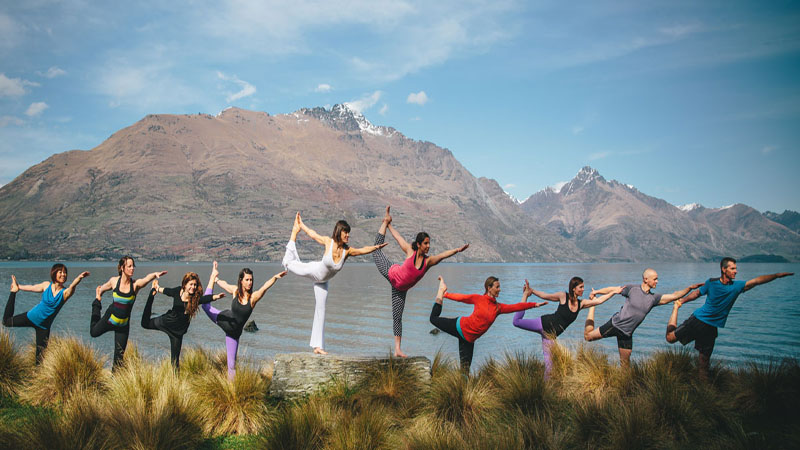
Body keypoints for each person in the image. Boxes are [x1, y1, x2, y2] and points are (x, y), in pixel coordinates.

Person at [665, 257, 793, 378]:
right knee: (670, 338)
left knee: (704, 363)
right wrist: (681, 302)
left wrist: (776, 276)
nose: (736, 271)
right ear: (723, 269)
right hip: (698, 320)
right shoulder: (712, 283)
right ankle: (675, 309)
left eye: (736, 268)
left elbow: (757, 281)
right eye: (732, 268)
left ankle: (703, 391)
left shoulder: (737, 287)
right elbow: (697, 293)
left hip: (711, 328)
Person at [282, 212, 386, 355]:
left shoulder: (347, 251)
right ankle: (294, 231)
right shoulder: (328, 242)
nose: (348, 236)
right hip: (314, 271)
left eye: (349, 233)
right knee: (289, 263)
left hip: (323, 282)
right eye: (346, 232)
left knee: (321, 311)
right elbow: (313, 234)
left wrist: (376, 247)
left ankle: (317, 347)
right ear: (339, 231)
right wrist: (301, 225)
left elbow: (363, 250)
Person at [374, 206, 469, 357]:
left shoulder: (428, 262)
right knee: (376, 250)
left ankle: (398, 349)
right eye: (425, 243)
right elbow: (398, 237)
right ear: (418, 244)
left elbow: (443, 255)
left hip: (399, 290)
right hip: (391, 272)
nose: (428, 246)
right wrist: (389, 225)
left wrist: (457, 250)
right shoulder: (410, 252)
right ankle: (384, 222)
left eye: (429, 243)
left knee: (397, 317)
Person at [583, 268, 703, 367]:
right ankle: (592, 307)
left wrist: (689, 288)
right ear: (646, 279)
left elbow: (674, 296)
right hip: (615, 325)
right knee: (588, 337)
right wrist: (596, 292)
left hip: (627, 333)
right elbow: (613, 289)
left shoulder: (654, 298)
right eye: (655, 279)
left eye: (657, 279)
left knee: (625, 365)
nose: (657, 281)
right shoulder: (632, 289)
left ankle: (624, 390)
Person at [430, 276, 544, 372]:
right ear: (489, 288)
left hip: (469, 340)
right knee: (433, 319)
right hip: (459, 326)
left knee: (465, 370)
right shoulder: (478, 299)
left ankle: (461, 392)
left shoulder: (498, 308)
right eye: (497, 287)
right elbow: (462, 298)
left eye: (499, 287)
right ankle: (441, 292)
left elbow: (515, 307)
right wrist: (446, 294)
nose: (499, 289)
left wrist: (534, 305)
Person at [513, 277, 622, 378]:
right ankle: (524, 297)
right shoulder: (563, 296)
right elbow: (546, 296)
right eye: (581, 287)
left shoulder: (581, 303)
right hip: (543, 323)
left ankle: (546, 391)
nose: (583, 289)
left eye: (583, 287)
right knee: (516, 322)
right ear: (574, 288)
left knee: (549, 367)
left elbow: (599, 301)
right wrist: (530, 291)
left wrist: (613, 292)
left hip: (550, 336)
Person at [202, 261, 286, 379]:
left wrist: (274, 278)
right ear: (241, 280)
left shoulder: (253, 298)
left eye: (251, 280)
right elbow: (225, 284)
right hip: (225, 319)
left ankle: (232, 390)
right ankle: (211, 277)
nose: (249, 282)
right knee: (205, 306)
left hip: (234, 333)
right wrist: (215, 279)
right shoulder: (236, 291)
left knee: (231, 366)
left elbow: (264, 287)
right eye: (247, 280)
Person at [3, 264, 90, 364]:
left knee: (39, 359)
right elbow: (32, 287)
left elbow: (72, 286)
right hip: (31, 316)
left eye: (65, 272)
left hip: (43, 328)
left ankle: (36, 377)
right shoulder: (46, 285)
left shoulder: (65, 293)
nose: (63, 274)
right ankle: (13, 292)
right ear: (54, 273)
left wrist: (79, 278)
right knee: (6, 322)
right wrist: (18, 287)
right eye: (60, 272)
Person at [92, 256, 166, 370]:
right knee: (93, 332)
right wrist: (98, 297)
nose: (132, 269)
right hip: (110, 319)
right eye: (129, 266)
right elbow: (101, 289)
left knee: (119, 358)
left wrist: (155, 274)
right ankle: (96, 308)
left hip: (123, 325)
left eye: (133, 266)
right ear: (122, 268)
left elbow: (146, 279)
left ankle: (114, 383)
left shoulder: (135, 285)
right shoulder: (114, 281)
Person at [141, 272, 224, 369]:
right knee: (144, 323)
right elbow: (167, 291)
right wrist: (157, 289)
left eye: (195, 285)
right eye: (191, 284)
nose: (193, 287)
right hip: (167, 322)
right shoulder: (177, 291)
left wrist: (216, 297)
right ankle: (151, 297)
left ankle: (175, 382)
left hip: (177, 332)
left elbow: (205, 299)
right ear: (185, 285)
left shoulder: (195, 299)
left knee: (175, 362)